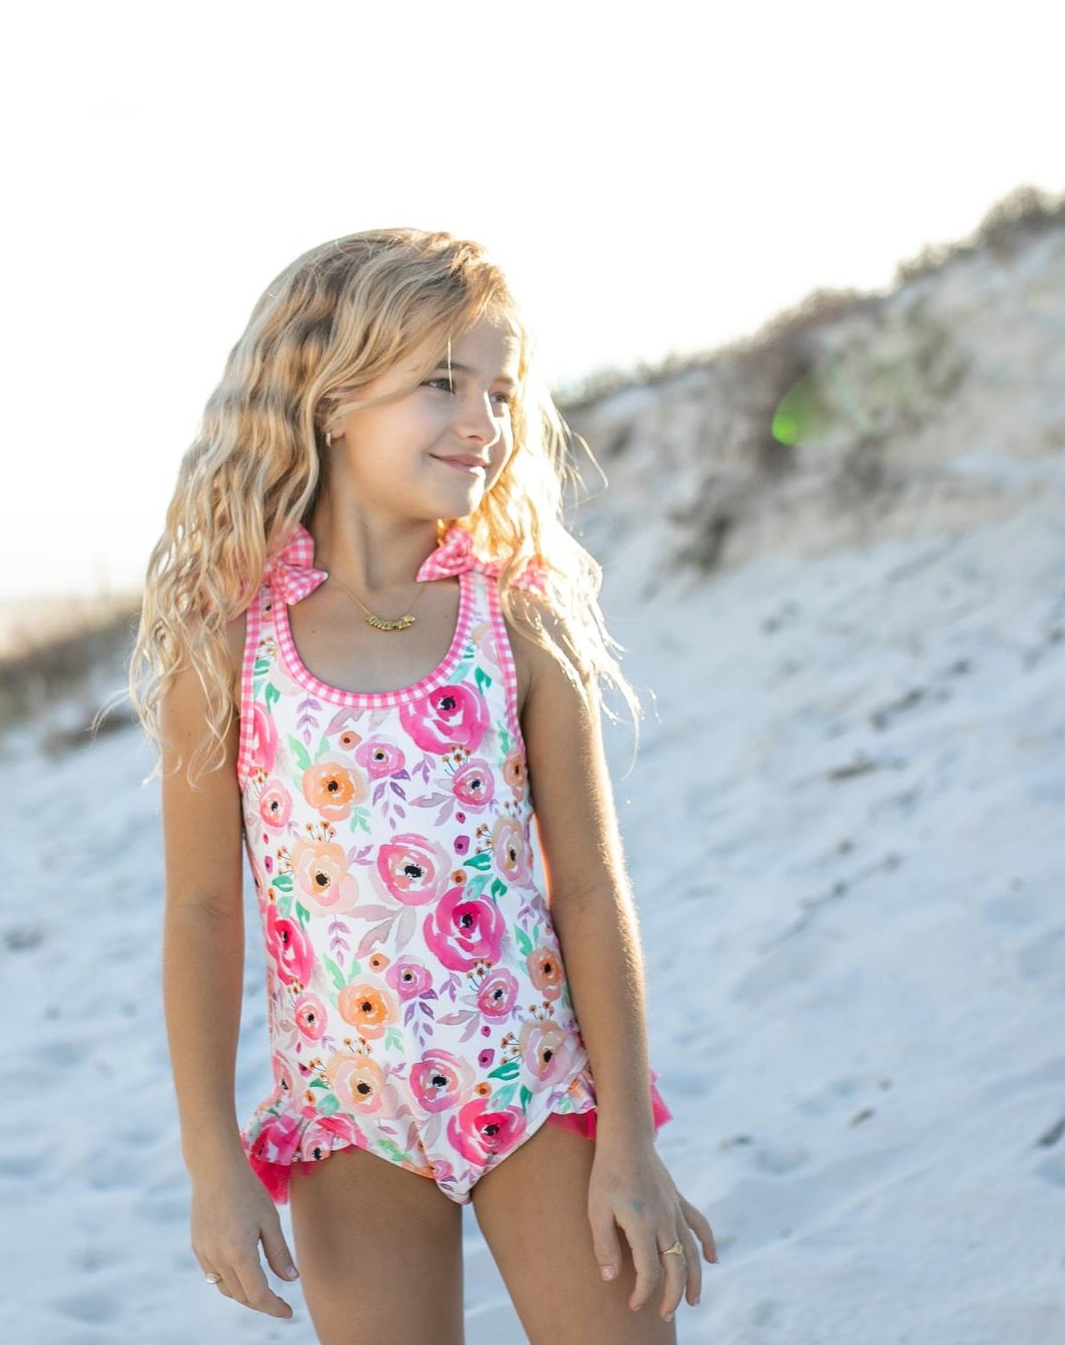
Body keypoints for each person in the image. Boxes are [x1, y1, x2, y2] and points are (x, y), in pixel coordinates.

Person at [131, 228, 717, 1344]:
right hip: (346, 1125)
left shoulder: (516, 619)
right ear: (330, 396)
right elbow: (203, 910)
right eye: (440, 383)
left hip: (538, 1091)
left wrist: (630, 1145)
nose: (482, 422)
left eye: (499, 390)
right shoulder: (228, 644)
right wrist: (213, 1162)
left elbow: (589, 887)